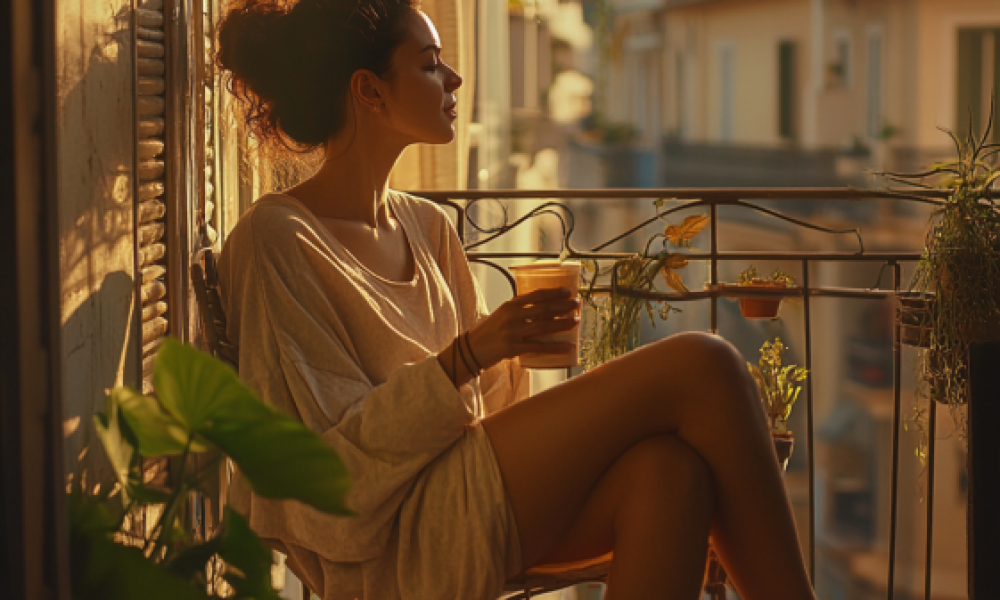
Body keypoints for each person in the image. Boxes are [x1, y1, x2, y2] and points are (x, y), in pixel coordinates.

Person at [215, 1, 817, 599]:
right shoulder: (279, 238)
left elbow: (492, 411)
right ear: (370, 90)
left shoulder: (426, 227)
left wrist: (514, 359)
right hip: (393, 540)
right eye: (429, 64)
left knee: (670, 475)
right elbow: (323, 477)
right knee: (706, 365)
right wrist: (468, 356)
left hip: (472, 499)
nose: (454, 79)